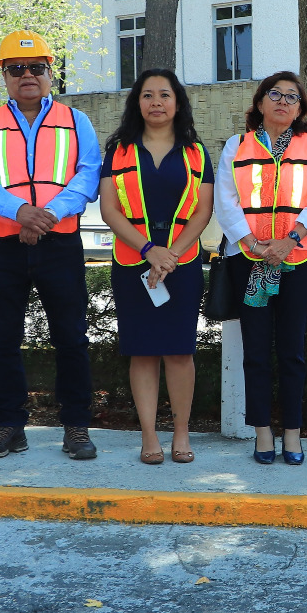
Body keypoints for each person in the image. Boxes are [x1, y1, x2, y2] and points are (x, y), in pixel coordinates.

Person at [0, 31, 102, 461]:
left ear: (50, 72)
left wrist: (47, 216)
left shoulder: (78, 122)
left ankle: (76, 426)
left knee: (72, 338)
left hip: (58, 243)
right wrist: (20, 211)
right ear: (3, 75)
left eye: (36, 68)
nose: (27, 76)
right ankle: (9, 427)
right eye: (16, 69)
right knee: (1, 339)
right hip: (3, 244)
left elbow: (88, 174)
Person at [215, 71, 307, 465]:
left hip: (297, 257)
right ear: (260, 102)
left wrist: (288, 242)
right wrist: (251, 243)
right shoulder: (237, 145)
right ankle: (262, 431)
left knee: (292, 351)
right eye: (275, 94)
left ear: (301, 108)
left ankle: (293, 434)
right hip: (249, 259)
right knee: (255, 351)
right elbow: (226, 199)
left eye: (292, 97)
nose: (283, 102)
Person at [98, 70, 214, 465]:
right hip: (133, 263)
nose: (156, 102)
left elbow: (203, 211)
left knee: (180, 352)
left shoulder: (196, 151)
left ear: (177, 102)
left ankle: (181, 432)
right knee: (143, 353)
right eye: (147, 95)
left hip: (182, 265)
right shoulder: (119, 151)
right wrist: (150, 250)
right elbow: (109, 209)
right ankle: (149, 436)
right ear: (137, 103)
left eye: (165, 95)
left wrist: (172, 254)